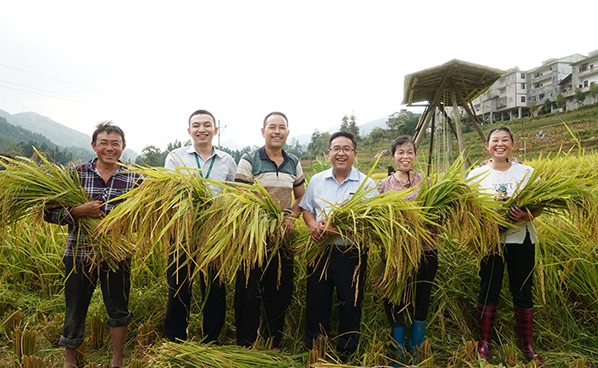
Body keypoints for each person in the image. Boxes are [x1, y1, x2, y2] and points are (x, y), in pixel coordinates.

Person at [44, 122, 141, 368]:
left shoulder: (135, 179)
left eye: (115, 144)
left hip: (117, 253)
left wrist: (119, 223)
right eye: (104, 143)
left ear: (123, 147)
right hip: (78, 252)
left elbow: (144, 219)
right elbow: (49, 213)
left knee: (118, 308)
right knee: (75, 307)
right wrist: (78, 211)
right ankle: (70, 362)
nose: (110, 148)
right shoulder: (75, 174)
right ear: (94, 145)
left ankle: (117, 360)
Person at [466, 126, 544, 365]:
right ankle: (485, 342)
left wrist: (527, 215)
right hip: (490, 241)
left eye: (505, 140)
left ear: (512, 144)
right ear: (487, 146)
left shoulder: (527, 172)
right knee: (488, 288)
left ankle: (527, 345)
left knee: (522, 289)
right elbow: (467, 210)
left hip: (522, 240)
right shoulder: (475, 176)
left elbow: (541, 204)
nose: (500, 144)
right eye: (495, 140)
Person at [299, 131, 377, 360]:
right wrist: (313, 224)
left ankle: (346, 352)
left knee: (350, 302)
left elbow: (371, 224)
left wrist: (339, 230)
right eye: (336, 149)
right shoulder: (317, 180)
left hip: (351, 252)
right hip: (320, 250)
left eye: (346, 149)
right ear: (328, 153)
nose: (341, 153)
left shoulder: (366, 183)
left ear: (354, 154)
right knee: (316, 299)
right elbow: (306, 209)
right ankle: (315, 349)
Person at [163, 109, 237, 343]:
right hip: (182, 233)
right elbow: (167, 193)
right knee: (178, 287)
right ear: (189, 130)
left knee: (214, 287)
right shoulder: (175, 157)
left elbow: (234, 195)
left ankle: (211, 339)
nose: (201, 129)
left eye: (207, 125)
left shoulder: (227, 160)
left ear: (215, 130)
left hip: (214, 234)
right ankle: (175, 339)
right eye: (196, 125)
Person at [234, 111, 305, 350]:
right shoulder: (249, 159)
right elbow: (240, 197)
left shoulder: (293, 162)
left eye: (282, 127)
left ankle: (273, 341)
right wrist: (262, 222)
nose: (277, 131)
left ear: (287, 132)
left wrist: (291, 218)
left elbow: (301, 197)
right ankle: (246, 342)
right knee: (248, 289)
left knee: (280, 289)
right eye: (272, 127)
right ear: (263, 131)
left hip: (283, 238)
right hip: (253, 238)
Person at [376, 135, 438, 361]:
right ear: (393, 156)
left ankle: (417, 341)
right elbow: (375, 221)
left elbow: (439, 216)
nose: (405, 156)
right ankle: (397, 343)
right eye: (400, 152)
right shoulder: (382, 186)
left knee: (422, 294)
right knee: (395, 296)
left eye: (409, 152)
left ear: (415, 155)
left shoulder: (428, 183)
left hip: (426, 249)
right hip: (395, 253)